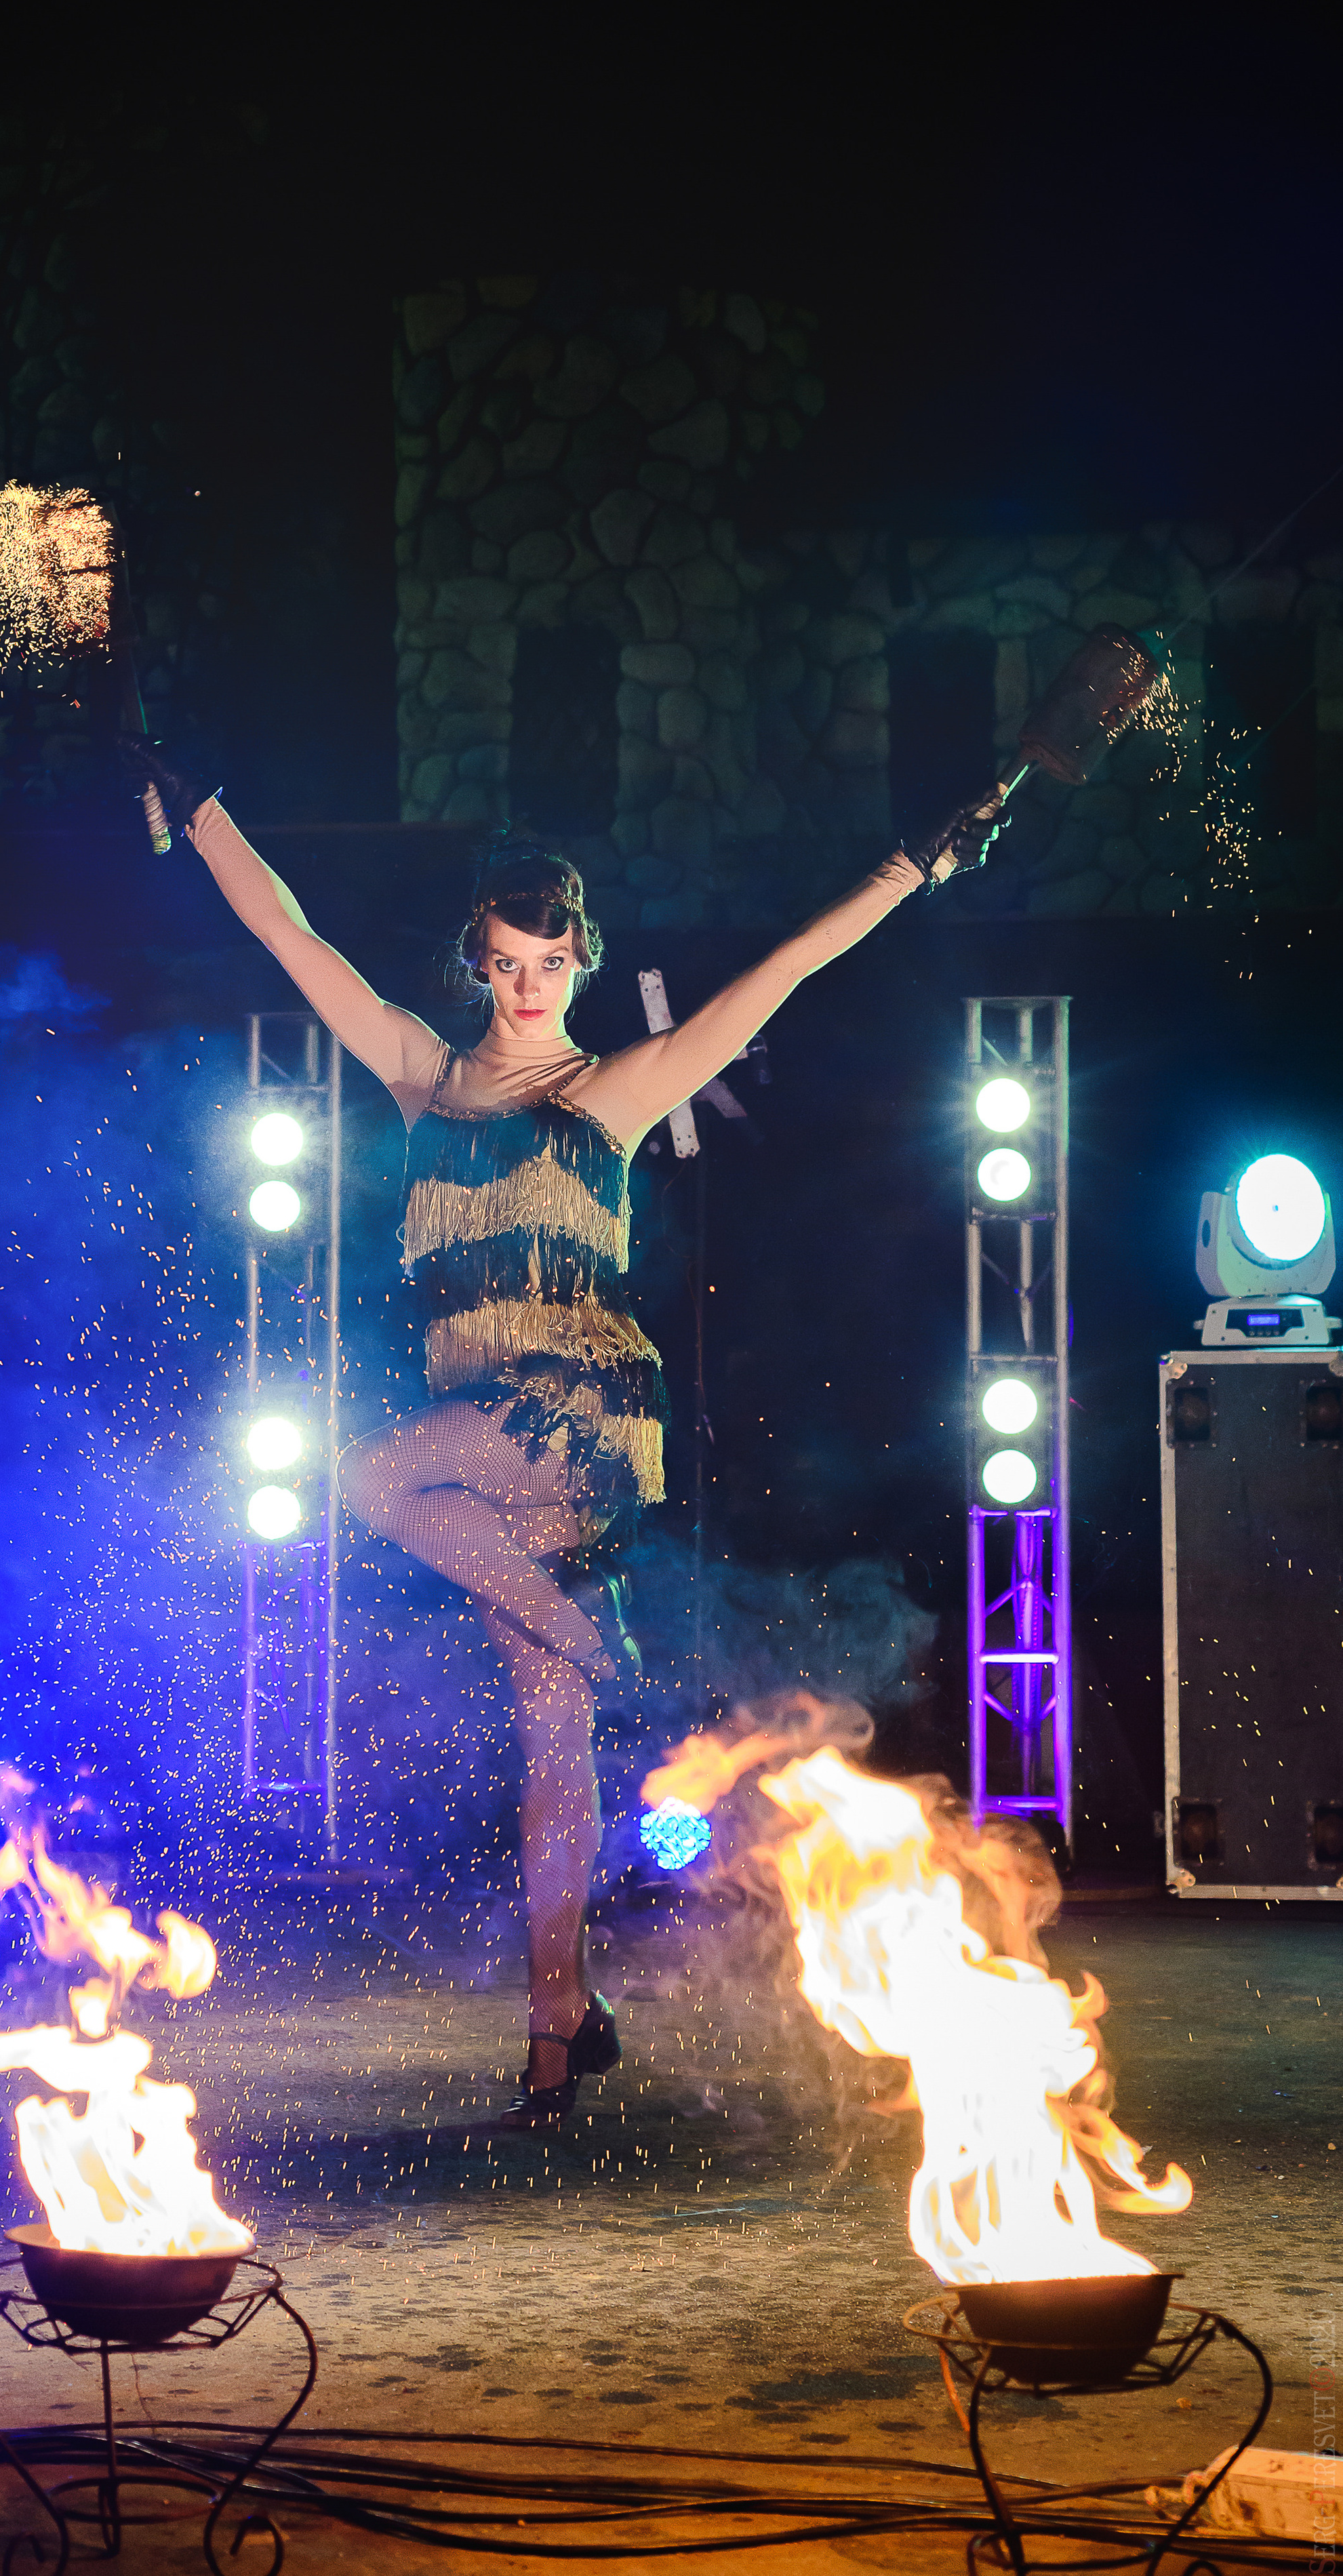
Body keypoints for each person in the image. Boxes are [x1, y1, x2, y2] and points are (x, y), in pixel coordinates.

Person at [136, 748, 999, 2122]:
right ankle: (559, 2015)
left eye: (550, 962)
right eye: (505, 961)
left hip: (579, 1412)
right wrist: (202, 810)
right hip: (483, 1430)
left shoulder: (615, 1088)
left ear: (582, 963)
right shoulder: (422, 1078)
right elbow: (288, 933)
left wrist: (916, 863)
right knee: (550, 1741)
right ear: (474, 962)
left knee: (364, 1473)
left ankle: (591, 1635)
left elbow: (776, 972)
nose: (528, 984)